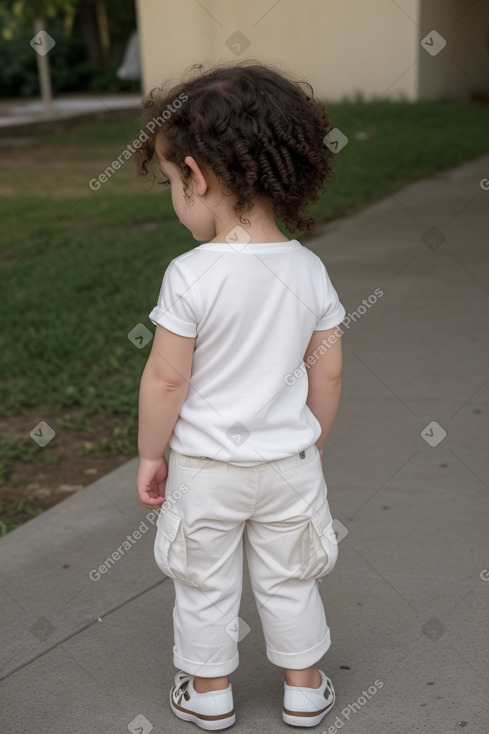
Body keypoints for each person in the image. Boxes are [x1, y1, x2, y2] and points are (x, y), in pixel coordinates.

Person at [135, 60, 346, 730]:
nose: (175, 194)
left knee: (203, 582)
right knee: (290, 578)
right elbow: (328, 371)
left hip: (205, 470)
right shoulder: (308, 269)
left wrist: (150, 454)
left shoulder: (190, 276)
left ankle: (211, 693)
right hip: (287, 467)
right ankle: (305, 689)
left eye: (172, 181)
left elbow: (167, 378)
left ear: (197, 177)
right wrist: (308, 439)